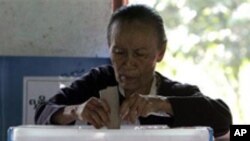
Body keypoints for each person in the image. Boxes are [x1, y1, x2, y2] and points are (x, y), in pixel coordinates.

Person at [35, 4, 232, 137]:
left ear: (160, 52)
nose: (128, 64)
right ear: (109, 47)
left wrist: (160, 105)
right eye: (119, 52)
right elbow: (42, 114)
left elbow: (223, 119)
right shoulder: (97, 82)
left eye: (139, 54)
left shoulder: (173, 93)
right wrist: (75, 111)